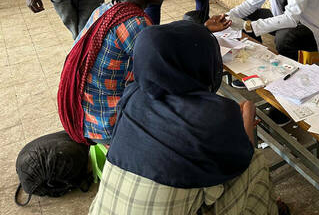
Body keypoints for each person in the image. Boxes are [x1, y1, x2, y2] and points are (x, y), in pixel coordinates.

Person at [88, 21, 285, 215]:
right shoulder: (213, 115)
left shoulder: (133, 96)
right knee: (254, 164)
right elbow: (239, 160)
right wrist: (246, 118)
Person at [57, 0, 231, 145]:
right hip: (106, 124)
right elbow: (166, 73)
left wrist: (202, 28)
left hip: (85, 113)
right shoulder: (137, 25)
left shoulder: (106, 9)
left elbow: (160, 39)